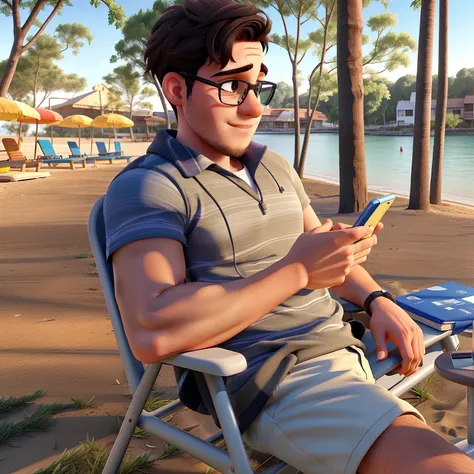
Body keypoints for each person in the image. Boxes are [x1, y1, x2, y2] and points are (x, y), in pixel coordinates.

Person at [103, 1, 474, 473]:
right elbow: (152, 329)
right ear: (177, 89)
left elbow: (321, 254)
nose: (256, 106)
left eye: (257, 84)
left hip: (346, 342)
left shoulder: (273, 165)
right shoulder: (151, 187)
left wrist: (378, 300)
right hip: (276, 376)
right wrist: (298, 270)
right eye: (233, 87)